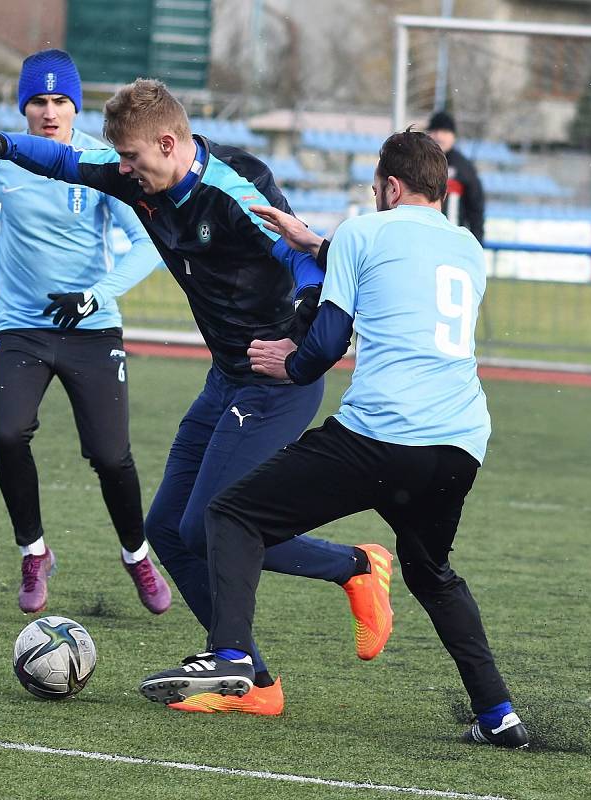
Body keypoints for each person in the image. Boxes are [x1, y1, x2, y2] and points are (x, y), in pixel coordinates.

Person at [0, 78, 392, 717]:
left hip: (276, 385)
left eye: (130, 159)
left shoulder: (236, 193)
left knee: (217, 523)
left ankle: (357, 568)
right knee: (168, 533)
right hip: (226, 379)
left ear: (168, 142)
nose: (121, 171)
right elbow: (68, 159)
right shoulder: (137, 174)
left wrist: (298, 347)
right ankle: (253, 683)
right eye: (119, 161)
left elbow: (317, 273)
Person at [140, 129, 529, 749]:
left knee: (232, 515)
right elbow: (398, 278)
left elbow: (326, 342)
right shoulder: (467, 249)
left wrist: (286, 365)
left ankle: (233, 658)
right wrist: (317, 244)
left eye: (377, 188)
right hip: (458, 446)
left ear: (390, 187)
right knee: (434, 577)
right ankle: (498, 713)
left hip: (377, 439)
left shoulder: (362, 232)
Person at [0, 51, 171, 616]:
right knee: (8, 436)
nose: (50, 111)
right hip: (21, 330)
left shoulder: (104, 161)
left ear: (76, 106)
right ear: (24, 106)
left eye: (62, 100)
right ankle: (34, 553)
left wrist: (95, 296)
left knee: (111, 458)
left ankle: (136, 555)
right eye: (39, 100)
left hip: (91, 329)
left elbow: (147, 245)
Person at [427, 110, 485, 244]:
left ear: (453, 136)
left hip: (454, 240)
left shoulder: (464, 168)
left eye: (445, 132)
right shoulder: (418, 163)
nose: (439, 136)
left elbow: (476, 209)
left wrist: (477, 244)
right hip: (425, 238)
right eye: (435, 131)